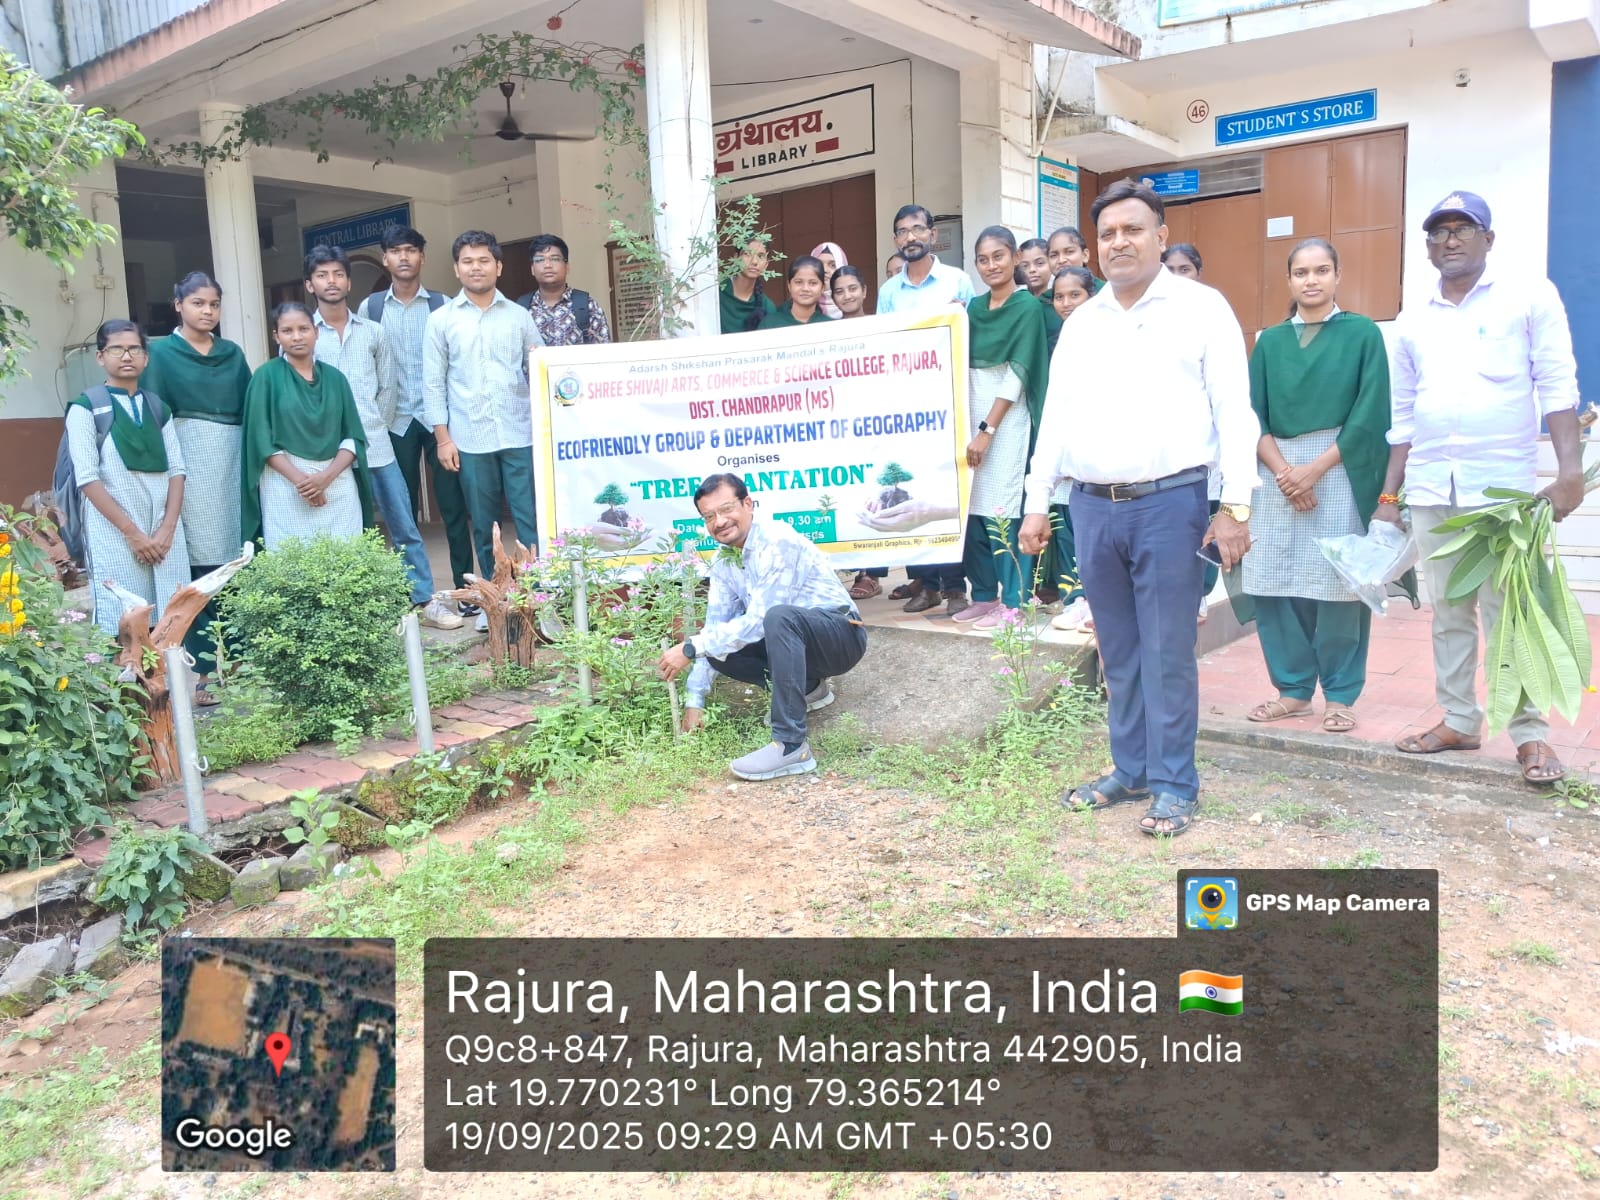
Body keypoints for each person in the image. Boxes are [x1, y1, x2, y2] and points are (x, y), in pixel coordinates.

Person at [1021, 178, 1259, 837]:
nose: (1119, 242)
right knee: (1117, 649)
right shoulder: (1082, 323)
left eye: (1132, 230)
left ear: (1160, 236)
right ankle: (1130, 771)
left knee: (1167, 651)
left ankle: (1175, 784)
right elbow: (1055, 419)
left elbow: (1234, 412)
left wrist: (1235, 505)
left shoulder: (1201, 308)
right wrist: (1037, 502)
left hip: (1170, 504)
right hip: (1092, 508)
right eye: (1107, 234)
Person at [1379, 190, 1583, 785]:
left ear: (1488, 239)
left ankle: (1529, 733)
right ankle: (1460, 720)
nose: (1449, 240)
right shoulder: (1412, 318)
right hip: (1431, 486)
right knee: (1448, 610)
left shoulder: (1529, 296)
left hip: (1501, 491)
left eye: (1462, 229)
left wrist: (1569, 471)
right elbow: (1403, 415)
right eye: (1438, 231)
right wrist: (1390, 498)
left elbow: (1557, 383)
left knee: (1511, 610)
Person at [1242, 238, 1391, 733]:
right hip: (1274, 470)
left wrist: (1315, 469)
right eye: (1301, 272)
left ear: (1337, 276)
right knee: (1272, 578)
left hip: (1339, 467)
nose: (1311, 280)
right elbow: (1250, 414)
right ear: (1288, 280)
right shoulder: (1270, 342)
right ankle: (1292, 690)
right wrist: (1286, 472)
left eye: (1321, 270)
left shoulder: (1362, 333)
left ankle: (1341, 694)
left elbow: (1370, 412)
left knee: (1339, 584)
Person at [654, 473, 867, 781]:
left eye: (726, 509)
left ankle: (791, 745)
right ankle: (810, 689)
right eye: (709, 516)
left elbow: (761, 620)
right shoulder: (724, 562)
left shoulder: (777, 540)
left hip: (841, 635)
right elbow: (716, 626)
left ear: (748, 504)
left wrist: (690, 648)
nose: (719, 522)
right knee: (717, 649)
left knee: (777, 618)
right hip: (799, 642)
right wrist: (694, 700)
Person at [306, 244, 459, 629]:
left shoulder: (373, 332)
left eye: (338, 274)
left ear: (348, 282)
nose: (331, 281)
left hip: (376, 445)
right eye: (322, 275)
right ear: (310, 284)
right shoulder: (303, 335)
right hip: (328, 454)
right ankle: (362, 610)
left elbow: (388, 390)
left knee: (403, 524)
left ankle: (423, 600)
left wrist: (373, 426)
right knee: (348, 530)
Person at [423, 231, 545, 631]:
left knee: (528, 519)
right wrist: (443, 438)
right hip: (470, 437)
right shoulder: (441, 321)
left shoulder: (519, 316)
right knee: (484, 522)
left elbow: (539, 367)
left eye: (483, 260)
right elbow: (432, 383)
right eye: (468, 261)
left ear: (499, 266)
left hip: (519, 432)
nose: (476, 268)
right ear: (457, 269)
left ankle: (535, 597)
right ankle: (494, 600)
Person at [140, 271, 251, 700]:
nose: (207, 311)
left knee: (235, 563)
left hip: (231, 465)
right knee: (198, 568)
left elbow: (248, 410)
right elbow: (155, 418)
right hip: (188, 466)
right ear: (178, 305)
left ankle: (237, 664)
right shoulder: (160, 354)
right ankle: (205, 668)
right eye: (198, 303)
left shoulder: (232, 354)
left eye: (214, 304)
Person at [370, 225, 477, 617]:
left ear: (422, 257)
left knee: (453, 507)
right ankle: (414, 594)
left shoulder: (442, 304)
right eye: (396, 251)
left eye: (411, 250)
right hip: (394, 419)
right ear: (385, 258)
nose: (404, 257)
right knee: (402, 511)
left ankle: (465, 590)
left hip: (439, 421)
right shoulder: (371, 309)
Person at [877, 204, 975, 615]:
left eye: (918, 229)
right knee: (911, 488)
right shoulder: (889, 292)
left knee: (946, 491)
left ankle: (954, 588)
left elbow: (969, 337)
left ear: (933, 234)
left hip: (948, 404)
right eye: (903, 231)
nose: (911, 237)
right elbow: (882, 345)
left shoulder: (958, 281)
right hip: (907, 407)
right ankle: (925, 584)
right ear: (896, 239)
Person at [67, 320, 191, 634]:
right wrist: (132, 533)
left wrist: (167, 529)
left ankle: (167, 670)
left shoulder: (158, 408)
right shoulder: (86, 408)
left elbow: (177, 471)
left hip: (163, 533)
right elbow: (87, 478)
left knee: (170, 619)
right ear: (100, 357)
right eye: (116, 349)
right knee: (122, 622)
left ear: (146, 358)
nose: (126, 356)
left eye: (134, 349)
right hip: (114, 532)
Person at [954, 227, 1049, 631]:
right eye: (983, 259)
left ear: (1014, 259)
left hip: (1005, 422)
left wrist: (987, 430)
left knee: (1003, 510)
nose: (991, 265)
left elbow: (1016, 375)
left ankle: (1014, 601)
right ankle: (983, 595)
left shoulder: (1027, 308)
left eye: (998, 256)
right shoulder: (972, 309)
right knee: (972, 511)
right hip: (971, 414)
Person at [241, 303, 374, 550]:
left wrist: (325, 478)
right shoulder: (265, 377)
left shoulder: (336, 379)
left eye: (303, 329)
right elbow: (260, 440)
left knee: (344, 558)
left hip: (337, 485)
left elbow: (353, 437)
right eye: (287, 331)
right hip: (285, 486)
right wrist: (304, 483)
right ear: (276, 336)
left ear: (316, 331)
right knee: (291, 562)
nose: (297, 337)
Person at [1044, 266, 1098, 632]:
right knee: (1066, 531)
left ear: (1091, 296)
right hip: (1064, 455)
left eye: (1074, 295)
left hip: (1093, 458)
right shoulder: (1059, 339)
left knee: (1091, 535)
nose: (1066, 303)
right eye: (1059, 297)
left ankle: (1096, 600)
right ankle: (1075, 599)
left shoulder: (1105, 335)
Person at [516, 233, 612, 346]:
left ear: (567, 267)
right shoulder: (521, 310)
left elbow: (604, 351)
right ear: (532, 269)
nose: (547, 265)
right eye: (540, 260)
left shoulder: (588, 306)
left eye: (554, 259)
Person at [720, 237, 777, 333]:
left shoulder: (767, 306)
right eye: (747, 254)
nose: (754, 261)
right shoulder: (717, 294)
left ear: (766, 264)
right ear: (736, 258)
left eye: (760, 256)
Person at [759, 256, 833, 328]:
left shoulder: (830, 326)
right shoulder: (770, 324)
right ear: (789, 286)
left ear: (822, 288)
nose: (805, 288)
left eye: (813, 283)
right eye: (799, 282)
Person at [811, 241, 848, 319]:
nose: (825, 270)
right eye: (820, 265)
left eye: (832, 265)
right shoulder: (802, 305)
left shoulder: (850, 302)